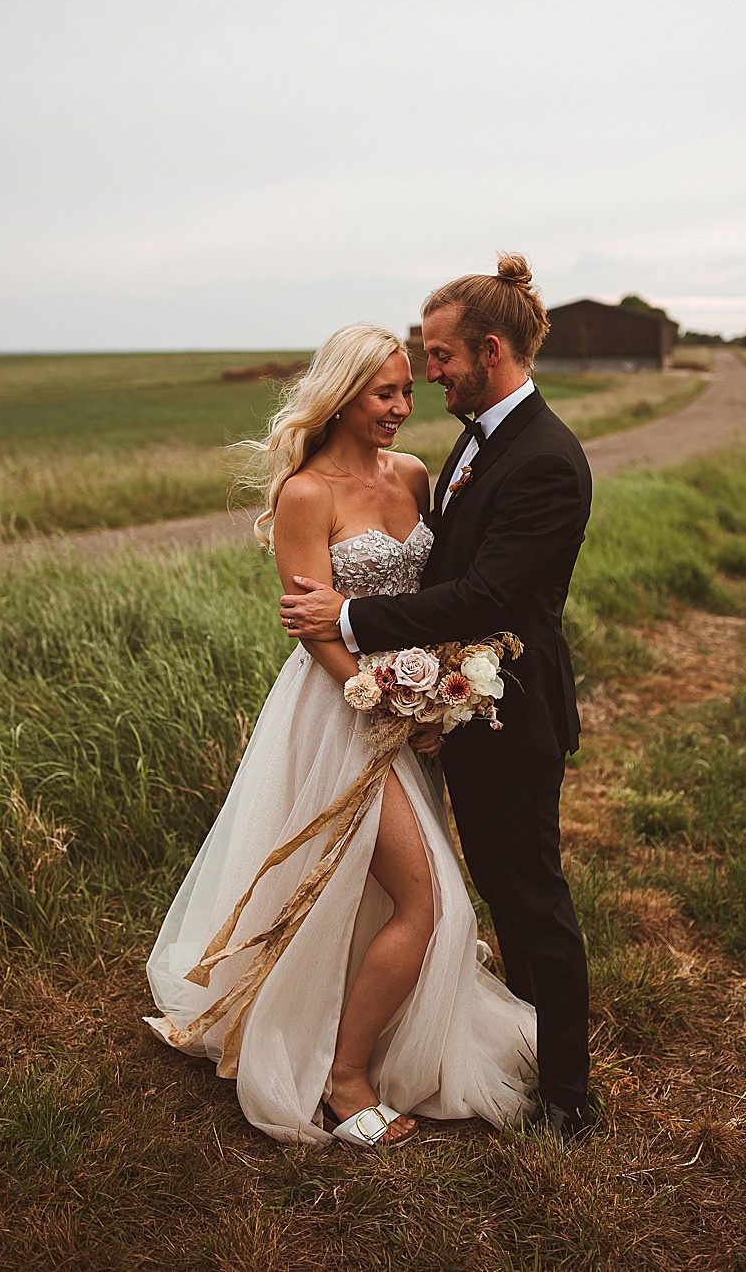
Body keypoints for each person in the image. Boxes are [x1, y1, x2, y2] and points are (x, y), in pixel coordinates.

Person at [144, 322, 538, 1147]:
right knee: (427, 897)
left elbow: (441, 594)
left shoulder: (416, 474)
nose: (403, 406)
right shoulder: (305, 495)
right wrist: (380, 697)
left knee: (370, 892)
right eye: (384, 393)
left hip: (415, 707)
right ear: (342, 395)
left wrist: (440, 692)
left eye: (406, 389)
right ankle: (340, 1079)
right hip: (341, 711)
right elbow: (311, 627)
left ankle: (364, 1039)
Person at [279, 255, 598, 1139]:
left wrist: (350, 613)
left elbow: (486, 598)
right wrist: (400, 688)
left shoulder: (543, 459)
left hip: (509, 713)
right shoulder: (474, 440)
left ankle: (569, 1100)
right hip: (437, 713)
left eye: (439, 358)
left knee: (528, 899)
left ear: (489, 350)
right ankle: (523, 1043)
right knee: (489, 890)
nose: (428, 377)